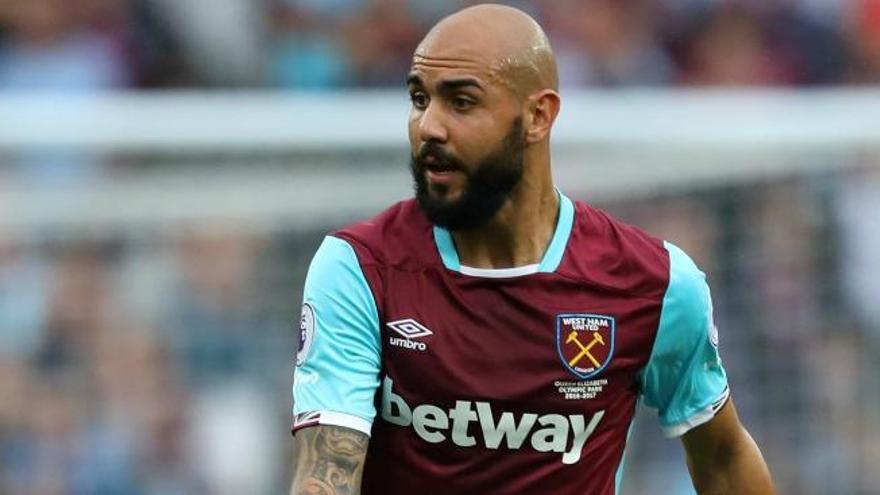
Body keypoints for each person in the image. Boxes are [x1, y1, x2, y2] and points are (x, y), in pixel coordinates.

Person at [289, 4, 776, 494]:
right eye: (420, 99)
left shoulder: (656, 284)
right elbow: (326, 475)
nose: (428, 127)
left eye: (461, 102)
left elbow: (724, 457)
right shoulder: (361, 269)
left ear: (538, 116)